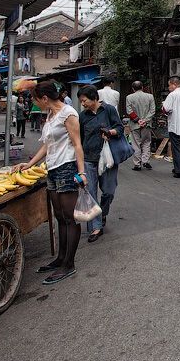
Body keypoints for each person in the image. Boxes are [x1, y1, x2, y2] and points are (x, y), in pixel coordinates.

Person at [13, 80, 86, 285]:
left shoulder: (68, 113)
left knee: (70, 218)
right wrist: (30, 164)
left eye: (36, 100)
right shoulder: (51, 114)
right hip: (52, 169)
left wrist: (82, 172)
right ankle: (61, 258)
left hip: (67, 167)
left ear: (45, 98)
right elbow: (47, 145)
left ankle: (68, 264)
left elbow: (77, 144)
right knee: (60, 216)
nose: (35, 104)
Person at [77, 85, 123, 243]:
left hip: (108, 158)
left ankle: (102, 213)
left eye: (85, 100)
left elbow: (120, 128)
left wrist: (110, 132)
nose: (83, 104)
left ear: (94, 98)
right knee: (90, 192)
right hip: (89, 158)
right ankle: (96, 227)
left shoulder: (109, 110)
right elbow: (80, 139)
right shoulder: (82, 116)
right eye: (81, 101)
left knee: (108, 191)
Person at [126, 81, 156, 171]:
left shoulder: (129, 97)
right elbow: (152, 110)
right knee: (146, 142)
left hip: (135, 124)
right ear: (142, 87)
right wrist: (145, 120)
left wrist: (138, 120)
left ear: (133, 88)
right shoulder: (150, 96)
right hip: (146, 124)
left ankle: (137, 164)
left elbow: (129, 111)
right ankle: (145, 161)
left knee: (136, 144)